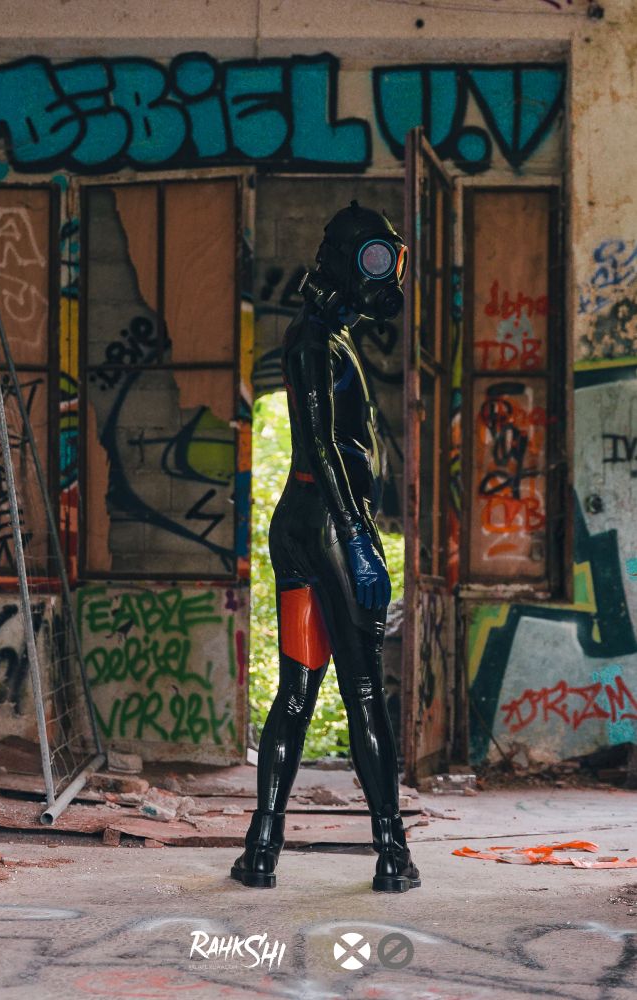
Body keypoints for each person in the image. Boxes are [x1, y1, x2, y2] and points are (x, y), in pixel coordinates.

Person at [231, 200, 420, 893]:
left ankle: (261, 851)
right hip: (328, 525)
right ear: (347, 262)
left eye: (392, 260)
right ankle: (393, 854)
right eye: (377, 259)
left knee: (296, 692)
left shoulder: (326, 340)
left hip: (300, 525)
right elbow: (319, 447)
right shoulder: (314, 343)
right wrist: (359, 539)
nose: (387, 275)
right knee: (364, 689)